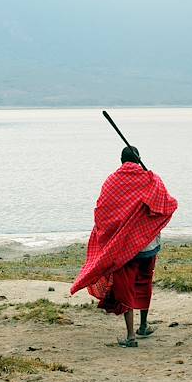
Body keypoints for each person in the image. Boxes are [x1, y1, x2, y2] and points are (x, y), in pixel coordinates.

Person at [71, 146, 178, 347]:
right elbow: (167, 204)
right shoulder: (151, 179)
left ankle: (131, 336)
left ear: (121, 160)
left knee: (126, 288)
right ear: (139, 159)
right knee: (144, 283)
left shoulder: (113, 181)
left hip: (125, 249)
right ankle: (143, 326)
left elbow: (102, 211)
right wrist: (154, 180)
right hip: (149, 245)